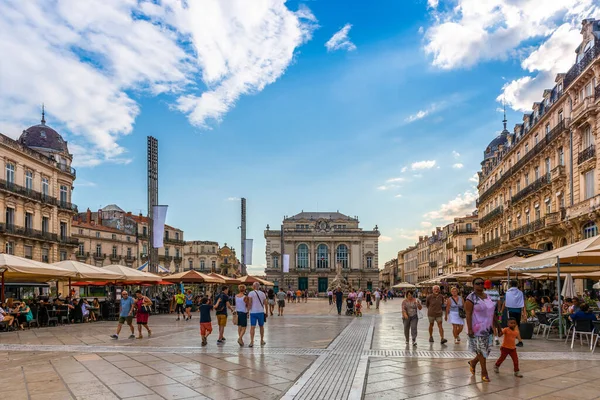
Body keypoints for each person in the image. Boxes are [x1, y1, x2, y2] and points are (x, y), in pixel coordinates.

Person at [465, 278, 497, 383]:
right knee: (481, 351)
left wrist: (499, 327)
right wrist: (469, 329)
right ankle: (484, 372)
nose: (480, 285)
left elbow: (492, 312)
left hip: (488, 328)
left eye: (482, 283)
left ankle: (473, 362)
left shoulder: (487, 296)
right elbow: (468, 314)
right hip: (476, 329)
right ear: (473, 285)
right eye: (477, 283)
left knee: (486, 350)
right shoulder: (470, 298)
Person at [504, 280, 524, 347]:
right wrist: (524, 312)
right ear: (517, 284)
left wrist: (501, 311)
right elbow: (523, 302)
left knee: (513, 326)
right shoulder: (520, 293)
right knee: (516, 326)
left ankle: (519, 341)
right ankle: (515, 340)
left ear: (510, 285)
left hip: (511, 311)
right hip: (518, 311)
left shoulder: (508, 293)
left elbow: (505, 302)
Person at [247, 282, 267, 347]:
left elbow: (249, 303)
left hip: (253, 312)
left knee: (252, 327)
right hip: (261, 312)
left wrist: (247, 311)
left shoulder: (251, 293)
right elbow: (265, 303)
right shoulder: (262, 293)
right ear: (259, 287)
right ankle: (261, 340)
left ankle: (252, 342)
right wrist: (267, 312)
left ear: (253, 287)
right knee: (261, 326)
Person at [484, 280, 501, 345]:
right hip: (494, 310)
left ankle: (491, 339)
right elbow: (499, 302)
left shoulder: (484, 293)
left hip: (486, 310)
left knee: (489, 325)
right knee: (494, 324)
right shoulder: (496, 292)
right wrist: (499, 310)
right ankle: (495, 338)